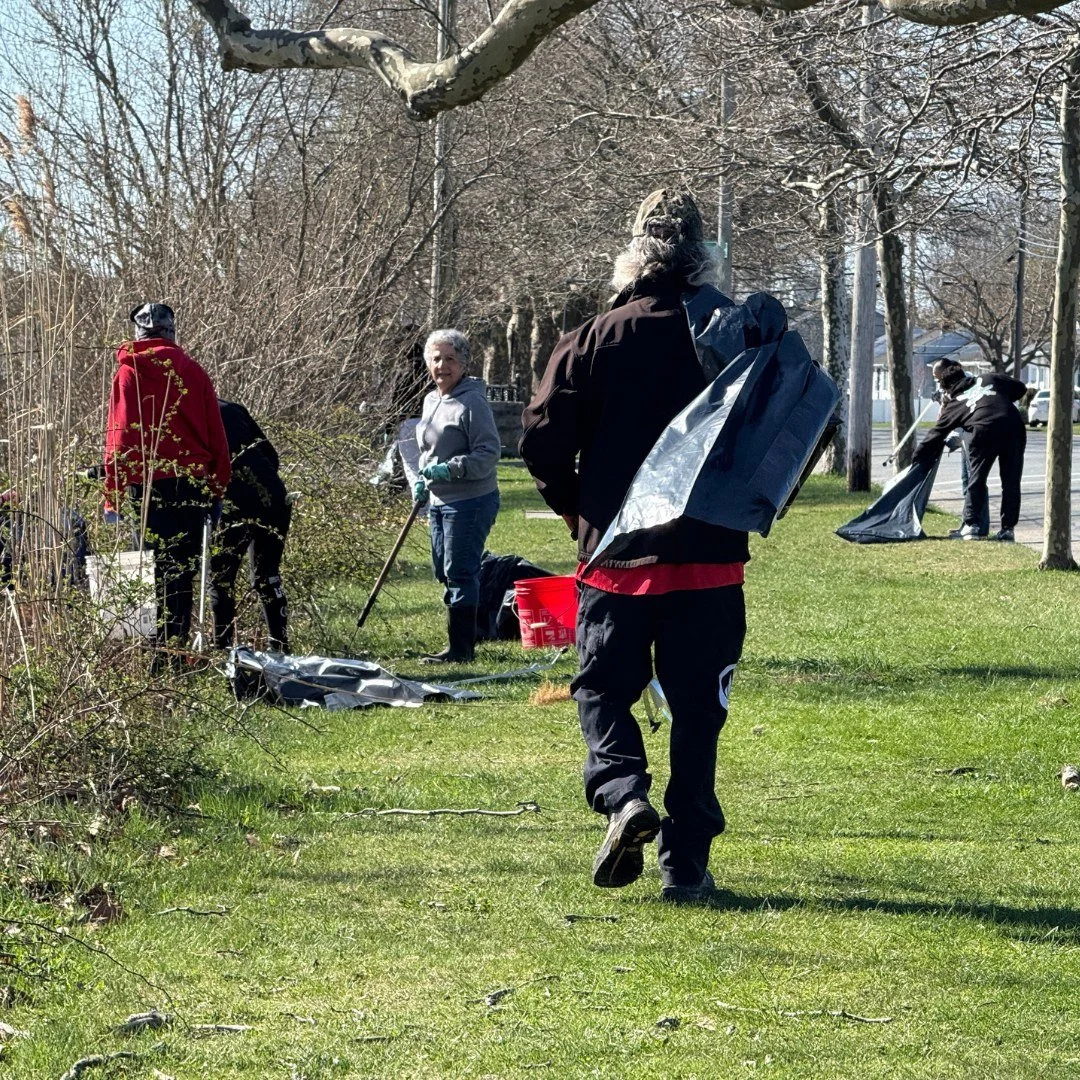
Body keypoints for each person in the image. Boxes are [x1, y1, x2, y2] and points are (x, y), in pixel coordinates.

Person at [520, 189, 749, 905]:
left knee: (603, 691)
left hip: (617, 560)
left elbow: (541, 444)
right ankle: (686, 862)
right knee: (698, 712)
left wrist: (575, 512)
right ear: (700, 252)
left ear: (634, 251)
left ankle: (622, 794)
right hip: (709, 559)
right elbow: (790, 429)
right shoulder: (734, 337)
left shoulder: (591, 339)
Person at [104, 303, 231, 656]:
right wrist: (218, 487)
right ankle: (176, 650)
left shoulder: (128, 373)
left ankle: (154, 654)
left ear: (138, 334)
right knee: (180, 572)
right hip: (190, 484)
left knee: (148, 569)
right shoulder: (193, 371)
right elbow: (216, 435)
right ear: (171, 332)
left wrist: (112, 492)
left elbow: (121, 436)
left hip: (147, 488)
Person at [413, 328, 501, 663]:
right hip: (437, 500)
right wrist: (424, 477)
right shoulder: (431, 399)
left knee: (460, 571)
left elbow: (488, 453)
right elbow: (427, 450)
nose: (442, 365)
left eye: (450, 359)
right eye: (436, 359)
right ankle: (470, 634)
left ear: (463, 363)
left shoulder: (472, 401)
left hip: (471, 500)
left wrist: (451, 469)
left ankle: (461, 650)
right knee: (443, 570)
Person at [913, 358, 1027, 541]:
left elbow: (936, 434)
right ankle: (1007, 530)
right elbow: (1020, 388)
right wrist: (1001, 400)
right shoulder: (989, 378)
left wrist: (917, 457)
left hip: (983, 432)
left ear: (948, 387)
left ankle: (971, 525)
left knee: (977, 479)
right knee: (1011, 481)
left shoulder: (956, 402)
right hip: (1014, 426)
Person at [211, 399, 291, 653]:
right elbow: (270, 454)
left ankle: (222, 650)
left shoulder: (195, 416)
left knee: (221, 579)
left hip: (235, 501)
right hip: (274, 497)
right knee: (267, 576)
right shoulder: (230, 408)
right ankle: (279, 645)